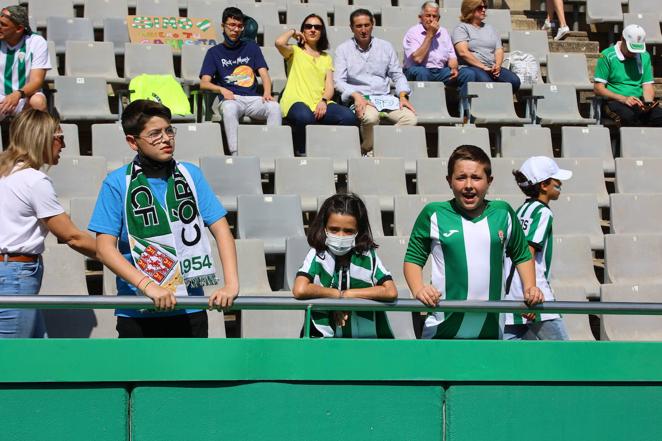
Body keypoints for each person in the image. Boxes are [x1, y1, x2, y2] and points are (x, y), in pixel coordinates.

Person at [89, 100, 239, 338]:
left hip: (190, 309)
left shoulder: (191, 174)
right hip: (137, 312)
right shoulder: (116, 183)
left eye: (169, 130)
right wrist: (149, 287)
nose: (166, 139)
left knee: (191, 375)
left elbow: (222, 230)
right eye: (155, 134)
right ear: (132, 142)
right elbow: (105, 249)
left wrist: (232, 284)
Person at [403, 145, 544, 339]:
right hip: (442, 330)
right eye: (461, 177)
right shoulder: (433, 213)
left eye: (476, 178)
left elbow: (522, 254)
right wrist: (419, 289)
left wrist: (530, 288)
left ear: (489, 181)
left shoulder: (504, 212)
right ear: (449, 181)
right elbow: (413, 258)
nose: (468, 185)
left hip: (492, 330)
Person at [0, 109, 96, 338]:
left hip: (12, 272)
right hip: (15, 275)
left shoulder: (6, 172)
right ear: (42, 138)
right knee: (14, 361)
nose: (63, 145)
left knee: (37, 355)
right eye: (60, 137)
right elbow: (71, 236)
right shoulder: (34, 180)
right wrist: (117, 258)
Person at [292, 193, 397, 338]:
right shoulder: (317, 254)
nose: (340, 236)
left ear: (358, 231)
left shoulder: (368, 256)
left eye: (348, 231)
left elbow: (390, 291)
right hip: (322, 340)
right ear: (324, 228)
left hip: (365, 339)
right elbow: (300, 289)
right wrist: (336, 296)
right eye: (334, 229)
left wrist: (350, 295)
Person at [503, 156, 572, 340]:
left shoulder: (520, 210)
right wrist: (530, 290)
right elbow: (527, 252)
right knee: (565, 355)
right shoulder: (543, 212)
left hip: (512, 294)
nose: (560, 184)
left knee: (510, 360)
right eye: (556, 180)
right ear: (544, 185)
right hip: (535, 296)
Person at [199, 7, 281, 155]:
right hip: (232, 99)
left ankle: (272, 153)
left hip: (253, 99)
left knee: (274, 107)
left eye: (239, 26)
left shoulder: (252, 47)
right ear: (223, 26)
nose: (235, 29)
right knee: (230, 109)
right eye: (231, 25)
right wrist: (221, 90)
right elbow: (204, 83)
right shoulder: (214, 53)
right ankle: (236, 154)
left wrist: (267, 92)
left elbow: (264, 73)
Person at [334, 9, 417, 154]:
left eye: (367, 25)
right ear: (351, 28)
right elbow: (338, 81)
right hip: (361, 98)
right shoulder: (343, 50)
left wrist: (403, 95)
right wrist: (356, 95)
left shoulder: (386, 47)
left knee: (410, 119)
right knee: (370, 118)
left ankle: (379, 148)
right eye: (359, 26)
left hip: (384, 98)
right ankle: (368, 149)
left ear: (373, 25)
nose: (364, 30)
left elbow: (397, 75)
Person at [276, 14, 358, 156]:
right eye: (308, 26)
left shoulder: (326, 58)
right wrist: (293, 32)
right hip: (296, 100)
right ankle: (302, 152)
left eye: (317, 27)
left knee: (349, 117)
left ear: (322, 32)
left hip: (319, 102)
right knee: (305, 117)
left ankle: (331, 151)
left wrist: (324, 101)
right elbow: (279, 42)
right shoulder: (294, 51)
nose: (313, 30)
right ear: (303, 30)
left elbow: (329, 87)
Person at [594, 24, 662, 128]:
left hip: (639, 103)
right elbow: (598, 88)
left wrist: (647, 104)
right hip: (614, 102)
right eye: (631, 49)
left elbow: (647, 86)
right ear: (622, 39)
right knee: (631, 118)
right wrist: (624, 99)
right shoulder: (607, 55)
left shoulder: (645, 56)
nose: (634, 53)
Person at [403, 1, 474, 97]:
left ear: (438, 18)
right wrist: (430, 35)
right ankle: (426, 107)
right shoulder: (413, 32)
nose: (431, 19)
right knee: (422, 72)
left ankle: (466, 108)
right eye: (428, 15)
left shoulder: (444, 32)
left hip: (440, 71)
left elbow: (452, 57)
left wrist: (453, 68)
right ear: (420, 17)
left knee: (467, 73)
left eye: (434, 16)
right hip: (418, 69)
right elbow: (417, 58)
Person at [452, 0, 520, 93]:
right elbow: (463, 52)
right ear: (470, 9)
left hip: (491, 67)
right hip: (471, 67)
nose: (484, 10)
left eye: (485, 7)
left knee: (514, 81)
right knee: (485, 82)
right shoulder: (461, 28)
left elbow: (498, 49)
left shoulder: (491, 29)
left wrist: (498, 65)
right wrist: (483, 67)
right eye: (480, 7)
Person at [0, 5, 50, 119]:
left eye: (3, 24)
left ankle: (42, 135)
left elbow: (37, 81)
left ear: (19, 29)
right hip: (1, 97)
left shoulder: (36, 42)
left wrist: (18, 94)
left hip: (24, 97)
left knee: (38, 102)